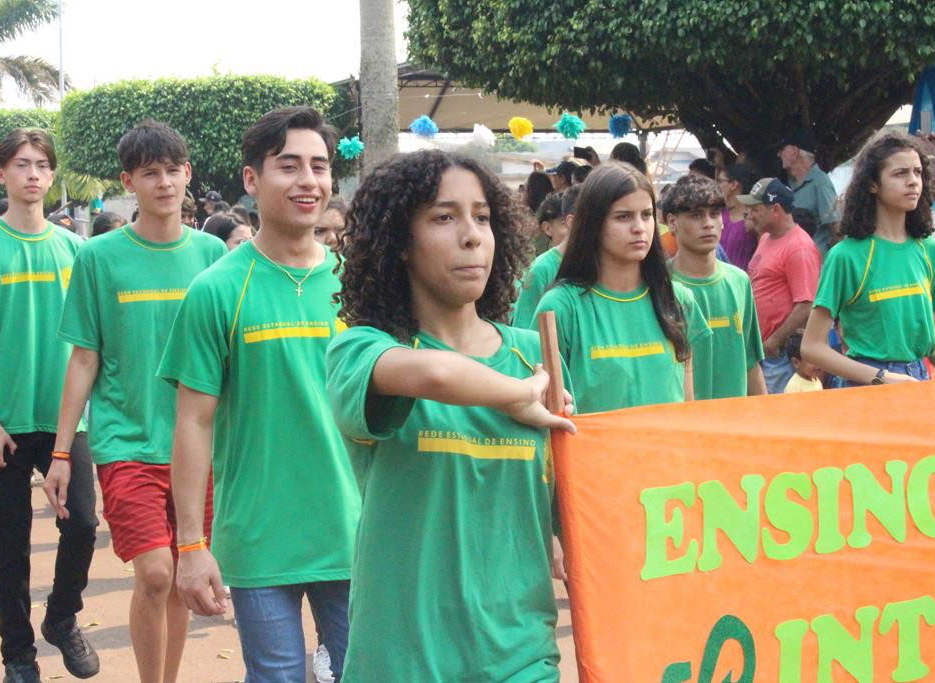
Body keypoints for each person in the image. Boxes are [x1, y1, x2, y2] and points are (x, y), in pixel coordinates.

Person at [327, 148, 574, 682]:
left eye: (482, 217)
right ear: (399, 245)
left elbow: (578, 518)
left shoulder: (538, 356)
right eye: (444, 217)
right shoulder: (364, 352)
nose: (472, 236)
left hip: (522, 659)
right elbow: (435, 376)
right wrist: (517, 394)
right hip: (403, 663)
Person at [159, 106, 358, 683]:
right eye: (289, 165)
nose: (308, 181)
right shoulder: (217, 289)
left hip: (353, 532)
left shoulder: (357, 285)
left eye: (319, 167)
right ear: (252, 179)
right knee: (277, 676)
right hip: (258, 541)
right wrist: (191, 546)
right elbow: (192, 424)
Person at [43, 120, 226, 683]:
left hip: (202, 449)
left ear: (188, 174)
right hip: (127, 441)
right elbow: (84, 358)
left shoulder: (214, 254)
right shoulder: (98, 258)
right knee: (152, 572)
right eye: (151, 173)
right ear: (129, 181)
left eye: (173, 170)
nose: (164, 183)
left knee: (181, 576)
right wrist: (61, 452)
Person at [0, 128, 99, 683]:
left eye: (41, 165)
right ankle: (18, 657)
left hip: (67, 419)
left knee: (82, 524)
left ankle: (62, 618)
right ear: (1, 175)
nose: (32, 174)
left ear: (52, 175)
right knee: (11, 548)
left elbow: (90, 343)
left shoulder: (75, 249)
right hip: (4, 425)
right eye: (21, 164)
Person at [533, 162, 710, 413]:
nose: (639, 227)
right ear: (593, 223)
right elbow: (543, 411)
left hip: (669, 451)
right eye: (623, 216)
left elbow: (687, 402)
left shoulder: (677, 299)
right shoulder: (561, 306)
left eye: (647, 215)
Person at [801, 130, 935, 386]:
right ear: (872, 184)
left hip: (920, 382)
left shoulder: (928, 249)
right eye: (900, 173)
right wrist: (881, 377)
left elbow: (929, 335)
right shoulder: (846, 256)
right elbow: (812, 346)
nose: (913, 181)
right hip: (868, 386)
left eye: (918, 172)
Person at [661, 175, 766, 398]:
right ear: (672, 222)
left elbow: (750, 362)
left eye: (714, 214)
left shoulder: (739, 280)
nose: (708, 223)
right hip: (681, 423)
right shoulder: (659, 286)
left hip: (733, 423)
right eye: (696, 215)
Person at [740, 177, 822, 394]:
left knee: (774, 415)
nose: (750, 214)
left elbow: (806, 304)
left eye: (755, 208)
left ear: (775, 209)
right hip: (763, 351)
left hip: (780, 355)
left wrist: (774, 341)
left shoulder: (799, 248)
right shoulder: (766, 237)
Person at [513, 185, 579, 327]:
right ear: (548, 228)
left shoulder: (598, 265)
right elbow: (524, 329)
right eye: (563, 224)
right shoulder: (541, 269)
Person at [778, 127, 840, 255]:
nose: (778, 154)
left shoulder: (820, 182)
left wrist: (826, 259)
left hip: (816, 267)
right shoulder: (790, 185)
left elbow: (835, 228)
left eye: (782, 149)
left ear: (794, 151)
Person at [717, 162, 760, 271]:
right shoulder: (718, 214)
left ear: (733, 185)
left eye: (720, 181)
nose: (716, 185)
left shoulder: (753, 216)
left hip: (742, 281)